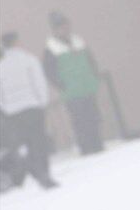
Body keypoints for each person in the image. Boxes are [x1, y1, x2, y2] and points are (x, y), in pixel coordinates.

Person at [0, 31, 57, 189]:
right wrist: (42, 101)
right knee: (38, 141)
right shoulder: (29, 60)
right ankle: (44, 173)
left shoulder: (0, 66)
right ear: (16, 42)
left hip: (13, 111)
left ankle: (35, 170)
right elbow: (39, 82)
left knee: (23, 143)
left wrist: (6, 107)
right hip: (32, 106)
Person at [42, 11, 104, 154]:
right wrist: (61, 85)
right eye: (60, 26)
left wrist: (94, 76)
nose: (65, 29)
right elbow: (49, 70)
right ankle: (86, 147)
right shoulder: (51, 48)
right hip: (71, 91)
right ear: (55, 30)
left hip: (87, 86)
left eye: (66, 25)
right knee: (79, 119)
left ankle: (97, 144)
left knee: (93, 116)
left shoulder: (78, 41)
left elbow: (91, 60)